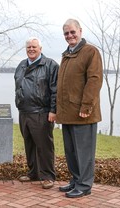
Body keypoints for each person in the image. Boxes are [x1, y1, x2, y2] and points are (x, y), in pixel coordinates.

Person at [56, 19, 103, 198]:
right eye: (66, 33)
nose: (70, 36)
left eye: (72, 32)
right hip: (67, 114)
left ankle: (84, 186)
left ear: (80, 31)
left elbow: (94, 80)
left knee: (84, 153)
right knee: (71, 152)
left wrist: (86, 106)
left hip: (83, 114)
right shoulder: (66, 55)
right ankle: (76, 180)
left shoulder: (90, 52)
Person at [14, 37, 59, 189]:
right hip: (24, 112)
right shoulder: (21, 65)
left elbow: (55, 90)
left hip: (41, 112)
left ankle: (48, 176)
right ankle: (34, 173)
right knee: (29, 144)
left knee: (44, 145)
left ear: (40, 48)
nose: (31, 49)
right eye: (28, 47)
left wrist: (53, 110)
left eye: (34, 47)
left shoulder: (50, 65)